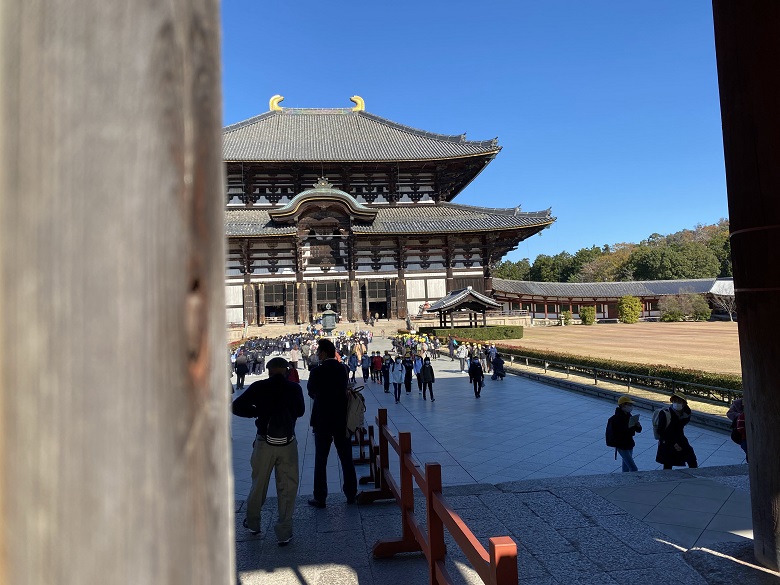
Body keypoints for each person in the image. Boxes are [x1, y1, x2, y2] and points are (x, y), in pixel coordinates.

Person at [232, 357, 305, 545]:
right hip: (288, 443)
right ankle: (284, 531)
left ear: (269, 370)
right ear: (287, 371)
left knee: (259, 485)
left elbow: (236, 406)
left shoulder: (259, 387)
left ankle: (254, 523)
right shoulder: (294, 388)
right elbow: (301, 411)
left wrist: (256, 412)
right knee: (288, 487)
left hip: (264, 441)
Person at [307, 339, 358, 508]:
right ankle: (351, 493)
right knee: (346, 458)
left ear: (323, 353)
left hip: (322, 421)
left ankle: (320, 497)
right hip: (341, 420)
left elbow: (311, 391)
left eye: (318, 352)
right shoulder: (342, 369)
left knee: (321, 460)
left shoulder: (316, 371)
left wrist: (321, 398)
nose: (317, 355)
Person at [656, 392, 698, 470]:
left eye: (679, 401)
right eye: (675, 401)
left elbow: (680, 426)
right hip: (668, 440)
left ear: (684, 404)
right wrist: (674, 443)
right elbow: (660, 431)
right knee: (668, 463)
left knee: (691, 458)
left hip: (680, 439)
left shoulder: (686, 414)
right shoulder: (665, 413)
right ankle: (667, 479)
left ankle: (695, 476)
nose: (676, 403)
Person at [611, 395, 642, 472]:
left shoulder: (629, 416)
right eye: (629, 405)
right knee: (633, 468)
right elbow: (620, 432)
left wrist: (637, 426)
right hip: (621, 445)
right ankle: (634, 482)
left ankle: (624, 482)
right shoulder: (616, 418)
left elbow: (638, 430)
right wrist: (629, 428)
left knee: (626, 467)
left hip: (629, 443)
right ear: (622, 405)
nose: (631, 407)